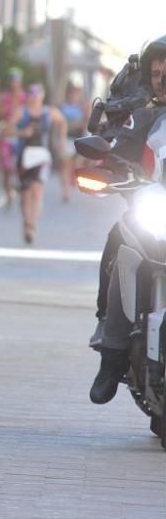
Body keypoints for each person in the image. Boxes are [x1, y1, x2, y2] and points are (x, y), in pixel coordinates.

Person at [89, 37, 166, 402]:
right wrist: (106, 164)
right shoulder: (143, 116)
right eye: (156, 70)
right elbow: (115, 146)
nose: (163, 75)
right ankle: (112, 352)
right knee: (121, 238)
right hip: (153, 210)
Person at [5, 83, 65, 245]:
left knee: (37, 191)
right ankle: (26, 224)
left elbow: (62, 122)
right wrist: (21, 132)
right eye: (31, 93)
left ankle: (32, 227)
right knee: (25, 195)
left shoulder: (49, 112)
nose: (34, 96)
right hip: (24, 156)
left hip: (42, 156)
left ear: (42, 95)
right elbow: (7, 131)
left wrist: (61, 141)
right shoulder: (21, 112)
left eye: (37, 93)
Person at [0, 67, 27, 204]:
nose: (14, 83)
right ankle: (8, 195)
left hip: (21, 136)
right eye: (12, 80)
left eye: (17, 80)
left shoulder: (25, 97)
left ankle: (20, 190)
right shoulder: (4, 97)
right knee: (7, 168)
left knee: (20, 165)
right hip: (7, 136)